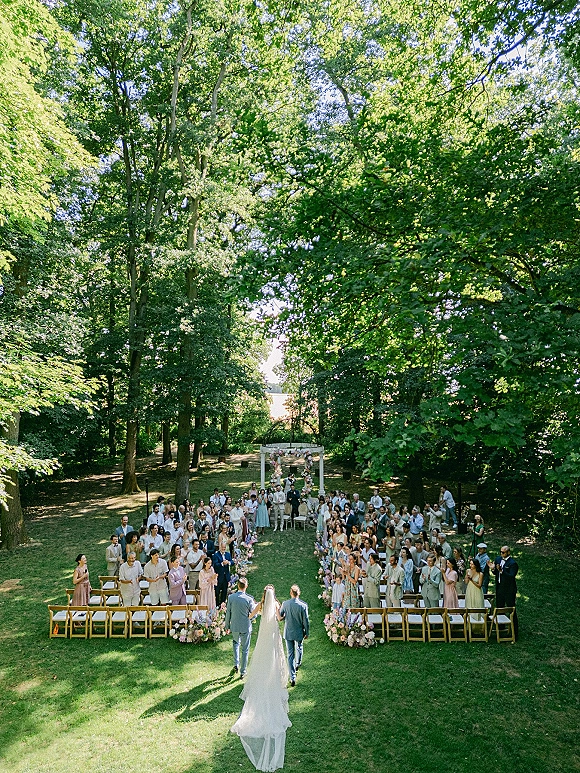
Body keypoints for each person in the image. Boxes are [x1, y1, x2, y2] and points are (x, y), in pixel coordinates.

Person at [231, 585, 290, 772]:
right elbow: (280, 618)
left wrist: (258, 614)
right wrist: (281, 613)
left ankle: (261, 677)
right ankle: (273, 677)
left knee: (262, 656)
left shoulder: (260, 605)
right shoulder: (275, 605)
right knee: (273, 657)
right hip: (272, 635)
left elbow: (250, 616)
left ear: (264, 594)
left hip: (263, 636)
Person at [224, 576, 257, 676]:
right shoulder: (249, 599)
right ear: (246, 586)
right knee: (245, 649)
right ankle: (243, 671)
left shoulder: (231, 597)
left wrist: (227, 626)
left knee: (235, 644)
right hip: (245, 627)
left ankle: (236, 664)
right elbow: (254, 614)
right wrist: (250, 618)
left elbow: (228, 613)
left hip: (234, 625)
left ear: (238, 585)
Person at [279, 584, 309, 687]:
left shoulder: (285, 604)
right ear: (298, 593)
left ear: (291, 593)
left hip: (288, 632)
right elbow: (306, 621)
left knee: (290, 654)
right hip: (299, 631)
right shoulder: (303, 605)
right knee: (299, 647)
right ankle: (298, 664)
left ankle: (292, 677)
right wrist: (307, 632)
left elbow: (281, 615)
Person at [489, 546, 519, 637]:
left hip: (509, 589)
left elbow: (511, 576)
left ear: (508, 552)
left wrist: (502, 571)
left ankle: (515, 630)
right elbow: (496, 573)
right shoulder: (498, 559)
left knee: (511, 608)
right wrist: (493, 569)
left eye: (503, 552)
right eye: (501, 552)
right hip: (500, 587)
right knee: (499, 607)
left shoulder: (512, 563)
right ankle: (501, 627)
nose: (501, 554)